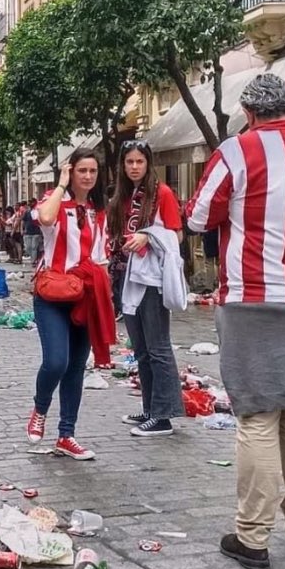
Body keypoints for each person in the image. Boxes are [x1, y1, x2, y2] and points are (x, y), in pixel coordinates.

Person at [187, 72, 285, 569]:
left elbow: (198, 217)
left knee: (258, 417)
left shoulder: (237, 152)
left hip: (252, 300)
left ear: (248, 113)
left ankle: (253, 536)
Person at [28, 148, 110, 461]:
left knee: (76, 367)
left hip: (85, 295)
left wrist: (105, 303)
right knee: (56, 361)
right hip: (51, 293)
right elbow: (45, 218)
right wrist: (62, 184)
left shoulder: (97, 211)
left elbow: (100, 260)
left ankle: (66, 434)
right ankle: (40, 408)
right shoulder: (54, 200)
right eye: (81, 170)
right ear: (71, 171)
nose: (87, 177)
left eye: (92, 171)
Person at [107, 140, 185, 438]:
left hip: (152, 279)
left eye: (140, 161)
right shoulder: (124, 196)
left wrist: (148, 236)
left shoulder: (161, 193)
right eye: (130, 162)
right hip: (128, 276)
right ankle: (151, 407)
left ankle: (163, 416)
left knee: (158, 348)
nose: (135, 167)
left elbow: (176, 235)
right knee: (140, 349)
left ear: (148, 164)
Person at [23, 198, 41, 265]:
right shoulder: (27, 212)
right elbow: (24, 221)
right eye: (29, 202)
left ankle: (33, 261)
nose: (29, 204)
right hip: (28, 232)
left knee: (34, 247)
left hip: (36, 232)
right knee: (28, 247)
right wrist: (23, 229)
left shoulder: (38, 211)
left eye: (31, 202)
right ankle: (33, 258)